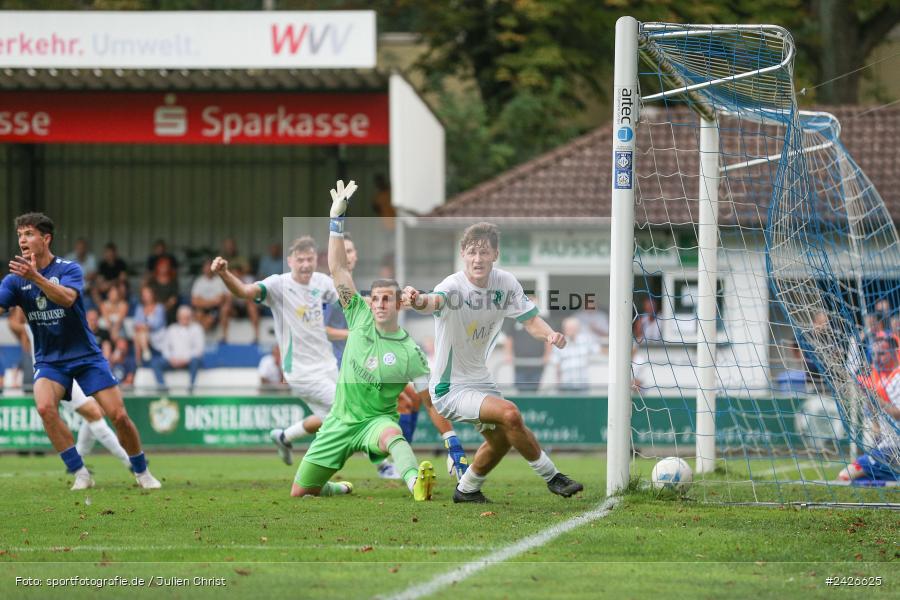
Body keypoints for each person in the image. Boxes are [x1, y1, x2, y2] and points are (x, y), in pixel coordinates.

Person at [404, 221, 584, 502]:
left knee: (501, 440)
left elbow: (531, 320)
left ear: (495, 255)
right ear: (463, 253)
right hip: (449, 387)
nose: (478, 259)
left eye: (484, 252)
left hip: (480, 379)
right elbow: (431, 302)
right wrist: (416, 301)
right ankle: (553, 477)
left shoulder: (506, 283)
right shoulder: (452, 286)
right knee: (510, 414)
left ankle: (467, 489)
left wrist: (550, 336)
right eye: (472, 252)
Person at [288, 179, 436, 500]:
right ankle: (338, 487)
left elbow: (427, 398)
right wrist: (335, 222)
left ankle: (415, 483)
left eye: (387, 299)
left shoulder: (410, 349)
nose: (380, 304)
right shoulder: (357, 313)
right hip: (339, 421)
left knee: (393, 435)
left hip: (374, 422)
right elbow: (338, 268)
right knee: (300, 492)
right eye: (376, 298)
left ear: (399, 304)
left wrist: (450, 439)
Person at [0, 213, 160, 489]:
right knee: (44, 407)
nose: (22, 240)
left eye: (28, 234)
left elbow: (66, 299)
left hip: (85, 357)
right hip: (50, 361)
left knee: (118, 415)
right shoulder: (15, 280)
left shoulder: (69, 269)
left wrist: (36, 277)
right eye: (19, 235)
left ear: (45, 238)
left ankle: (141, 471)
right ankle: (80, 472)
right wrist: (29, 278)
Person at [212, 236, 339, 464]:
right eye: (300, 259)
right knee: (347, 410)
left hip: (328, 364)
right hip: (301, 371)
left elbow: (350, 303)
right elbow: (243, 291)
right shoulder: (278, 284)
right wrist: (224, 274)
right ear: (289, 260)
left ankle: (284, 436)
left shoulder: (322, 282)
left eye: (310, 259)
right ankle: (383, 464)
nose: (305, 264)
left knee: (328, 416)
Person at [9, 306, 131, 470]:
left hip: (69, 368)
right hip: (51, 374)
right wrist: (21, 295)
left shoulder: (54, 313)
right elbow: (14, 321)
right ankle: (128, 461)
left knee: (95, 413)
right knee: (94, 413)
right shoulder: (29, 318)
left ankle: (79, 461)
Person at [840, 336, 900, 483]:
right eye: (873, 354)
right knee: (861, 482)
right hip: (887, 447)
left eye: (882, 354)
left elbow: (898, 414)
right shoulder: (878, 376)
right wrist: (875, 425)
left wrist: (874, 397)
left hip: (894, 449)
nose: (876, 358)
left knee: (845, 476)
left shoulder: (897, 378)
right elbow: (873, 410)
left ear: (895, 352)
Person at [151, 305, 205, 390]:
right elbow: (165, 348)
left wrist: (186, 359)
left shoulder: (197, 329)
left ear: (191, 317)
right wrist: (171, 359)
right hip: (173, 360)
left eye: (187, 317)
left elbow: (199, 349)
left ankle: (191, 387)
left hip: (189, 361)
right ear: (178, 317)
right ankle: (162, 388)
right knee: (156, 362)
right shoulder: (172, 329)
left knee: (196, 361)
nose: (184, 319)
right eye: (182, 317)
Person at [549, 317, 597, 393]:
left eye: (572, 328)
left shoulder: (586, 340)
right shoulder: (559, 343)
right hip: (566, 385)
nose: (570, 330)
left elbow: (598, 351)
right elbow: (556, 365)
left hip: (583, 383)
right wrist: (558, 384)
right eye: (568, 328)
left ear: (578, 328)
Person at [191, 258, 231, 338]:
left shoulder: (219, 280)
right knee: (198, 315)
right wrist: (210, 302)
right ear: (203, 269)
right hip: (202, 309)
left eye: (209, 267)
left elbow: (220, 300)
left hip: (215, 309)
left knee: (208, 321)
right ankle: (197, 340)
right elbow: (194, 301)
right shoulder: (199, 281)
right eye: (206, 267)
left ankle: (223, 337)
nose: (208, 269)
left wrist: (202, 300)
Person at [133, 285, 167, 364]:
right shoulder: (140, 308)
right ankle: (144, 354)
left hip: (158, 334)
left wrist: (145, 326)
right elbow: (136, 323)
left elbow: (158, 323)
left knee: (139, 334)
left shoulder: (159, 307)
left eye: (148, 293)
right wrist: (143, 327)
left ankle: (139, 360)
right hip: (144, 334)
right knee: (138, 335)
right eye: (144, 294)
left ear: (152, 294)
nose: (146, 296)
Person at [91, 242, 128, 307]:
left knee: (123, 287)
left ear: (115, 253)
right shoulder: (102, 264)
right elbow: (100, 279)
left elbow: (122, 278)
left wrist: (110, 284)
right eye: (107, 252)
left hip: (117, 285)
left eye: (111, 252)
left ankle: (120, 307)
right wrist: (103, 284)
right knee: (94, 289)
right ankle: (102, 308)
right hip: (106, 286)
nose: (109, 255)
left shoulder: (121, 263)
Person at [146, 255, 179, 324]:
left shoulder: (173, 281)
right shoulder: (152, 281)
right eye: (162, 266)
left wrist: (162, 309)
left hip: (169, 310)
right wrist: (156, 308)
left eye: (166, 266)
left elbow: (173, 300)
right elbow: (148, 296)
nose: (164, 268)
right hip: (154, 308)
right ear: (157, 267)